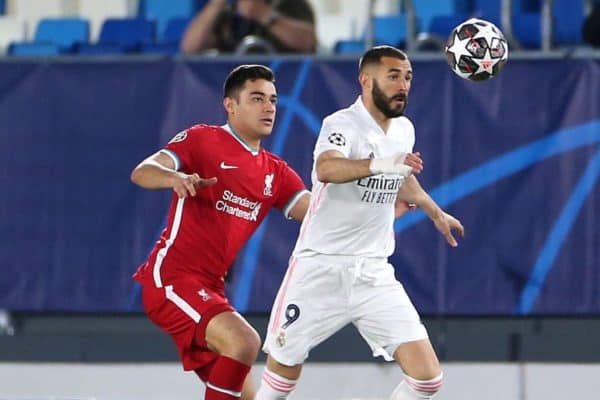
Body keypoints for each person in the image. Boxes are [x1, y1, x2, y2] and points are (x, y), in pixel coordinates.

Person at [255, 46, 465, 400]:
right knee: (280, 381)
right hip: (320, 268)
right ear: (366, 81)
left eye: (408, 77)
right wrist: (381, 165)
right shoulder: (341, 124)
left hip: (372, 273)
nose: (403, 85)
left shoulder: (403, 130)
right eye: (393, 76)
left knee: (427, 379)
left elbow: (402, 175)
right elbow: (327, 169)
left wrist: (433, 210)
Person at [130, 64, 310, 400]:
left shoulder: (276, 172)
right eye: (257, 98)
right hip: (172, 278)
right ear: (230, 104)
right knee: (244, 341)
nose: (269, 107)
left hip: (212, 288)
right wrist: (175, 178)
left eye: (273, 100)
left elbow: (319, 215)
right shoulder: (203, 139)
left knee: (245, 396)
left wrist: (380, 206)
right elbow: (143, 172)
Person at [180, 0, 316, 54]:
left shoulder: (290, 4)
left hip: (281, 84)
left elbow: (309, 42)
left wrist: (264, 15)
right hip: (234, 90)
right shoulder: (228, 9)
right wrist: (216, 4)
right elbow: (190, 47)